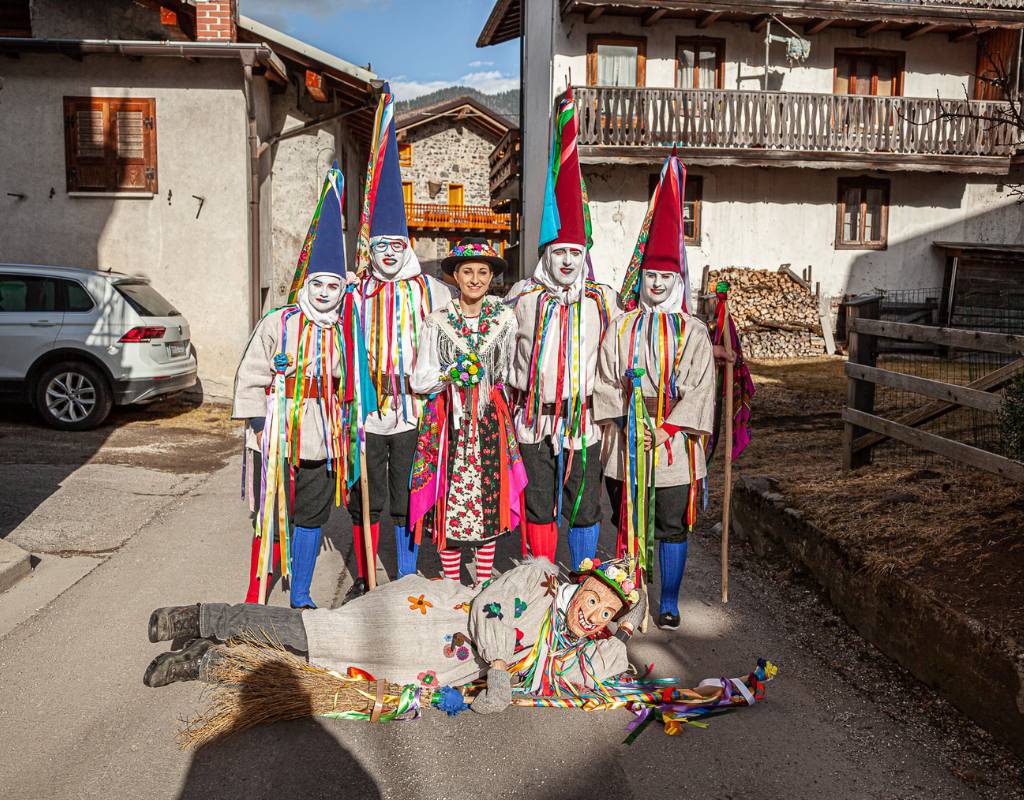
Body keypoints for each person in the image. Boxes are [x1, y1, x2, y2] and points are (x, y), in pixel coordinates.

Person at [143, 556, 648, 715]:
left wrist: (623, 628)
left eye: (606, 611)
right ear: (580, 584)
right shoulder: (540, 578)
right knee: (322, 631)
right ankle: (201, 618)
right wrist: (497, 668)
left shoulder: (577, 644)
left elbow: (606, 666)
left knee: (322, 672)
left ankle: (205, 662)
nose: (593, 613)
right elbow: (491, 607)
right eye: (594, 597)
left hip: (437, 671)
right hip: (432, 620)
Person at [232, 164, 373, 609]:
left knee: (311, 513)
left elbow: (354, 376)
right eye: (320, 284)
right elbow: (252, 371)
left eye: (335, 284)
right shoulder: (279, 322)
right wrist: (256, 419)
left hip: (325, 432)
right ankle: (257, 592)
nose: (327, 292)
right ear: (306, 285)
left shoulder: (346, 327)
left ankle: (303, 594)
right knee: (272, 512)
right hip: (278, 426)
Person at [594, 153, 716, 631]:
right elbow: (604, 377)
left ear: (677, 279)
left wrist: (665, 429)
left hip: (673, 442)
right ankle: (628, 593)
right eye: (652, 276)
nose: (659, 282)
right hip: (628, 436)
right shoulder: (620, 327)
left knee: (670, 521)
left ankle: (667, 598)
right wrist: (624, 418)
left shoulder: (693, 331)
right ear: (642, 278)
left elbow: (701, 384)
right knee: (627, 518)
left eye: (666, 276)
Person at [505, 88, 619, 570]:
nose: (568, 260)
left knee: (584, 504)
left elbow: (628, 347)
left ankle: (581, 578)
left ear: (583, 254)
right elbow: (488, 338)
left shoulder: (603, 300)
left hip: (584, 421)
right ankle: (542, 581)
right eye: (560, 252)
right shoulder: (521, 297)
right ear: (546, 255)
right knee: (539, 502)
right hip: (534, 418)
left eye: (575, 252)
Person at [349, 84, 452, 593]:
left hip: (411, 408)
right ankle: (368, 573)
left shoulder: (431, 290)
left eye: (396, 244)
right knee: (366, 494)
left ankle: (407, 574)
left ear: (407, 245)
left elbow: (456, 340)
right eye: (381, 245)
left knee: (408, 493)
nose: (388, 253)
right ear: (371, 247)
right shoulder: (355, 291)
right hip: (368, 410)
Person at [407, 238, 525, 585]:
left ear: (492, 278)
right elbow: (421, 378)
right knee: (450, 503)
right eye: (468, 271)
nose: (475, 279)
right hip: (449, 423)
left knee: (489, 501)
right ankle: (451, 586)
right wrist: (449, 375)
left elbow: (509, 372)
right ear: (455, 276)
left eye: (483, 272)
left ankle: (483, 583)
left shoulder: (504, 319)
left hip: (489, 420)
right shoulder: (438, 322)